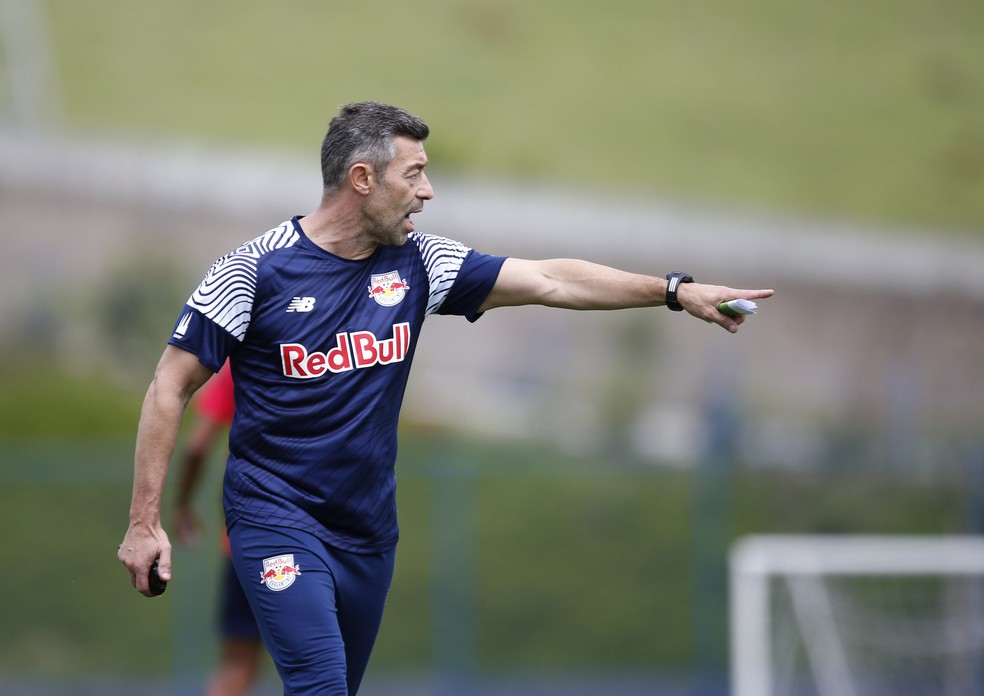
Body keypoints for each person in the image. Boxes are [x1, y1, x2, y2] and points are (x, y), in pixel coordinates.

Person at [119, 101, 774, 695]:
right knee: (317, 687)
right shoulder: (253, 272)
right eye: (415, 174)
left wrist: (673, 289)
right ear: (363, 179)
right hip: (275, 519)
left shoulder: (420, 264)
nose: (427, 191)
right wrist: (145, 522)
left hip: (368, 534)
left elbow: (551, 280)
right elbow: (169, 384)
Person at [172, 361, 266, 696]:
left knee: (238, 664)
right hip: (326, 534)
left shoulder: (243, 361)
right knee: (324, 662)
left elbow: (197, 444)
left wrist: (182, 504)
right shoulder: (339, 349)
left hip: (253, 538)